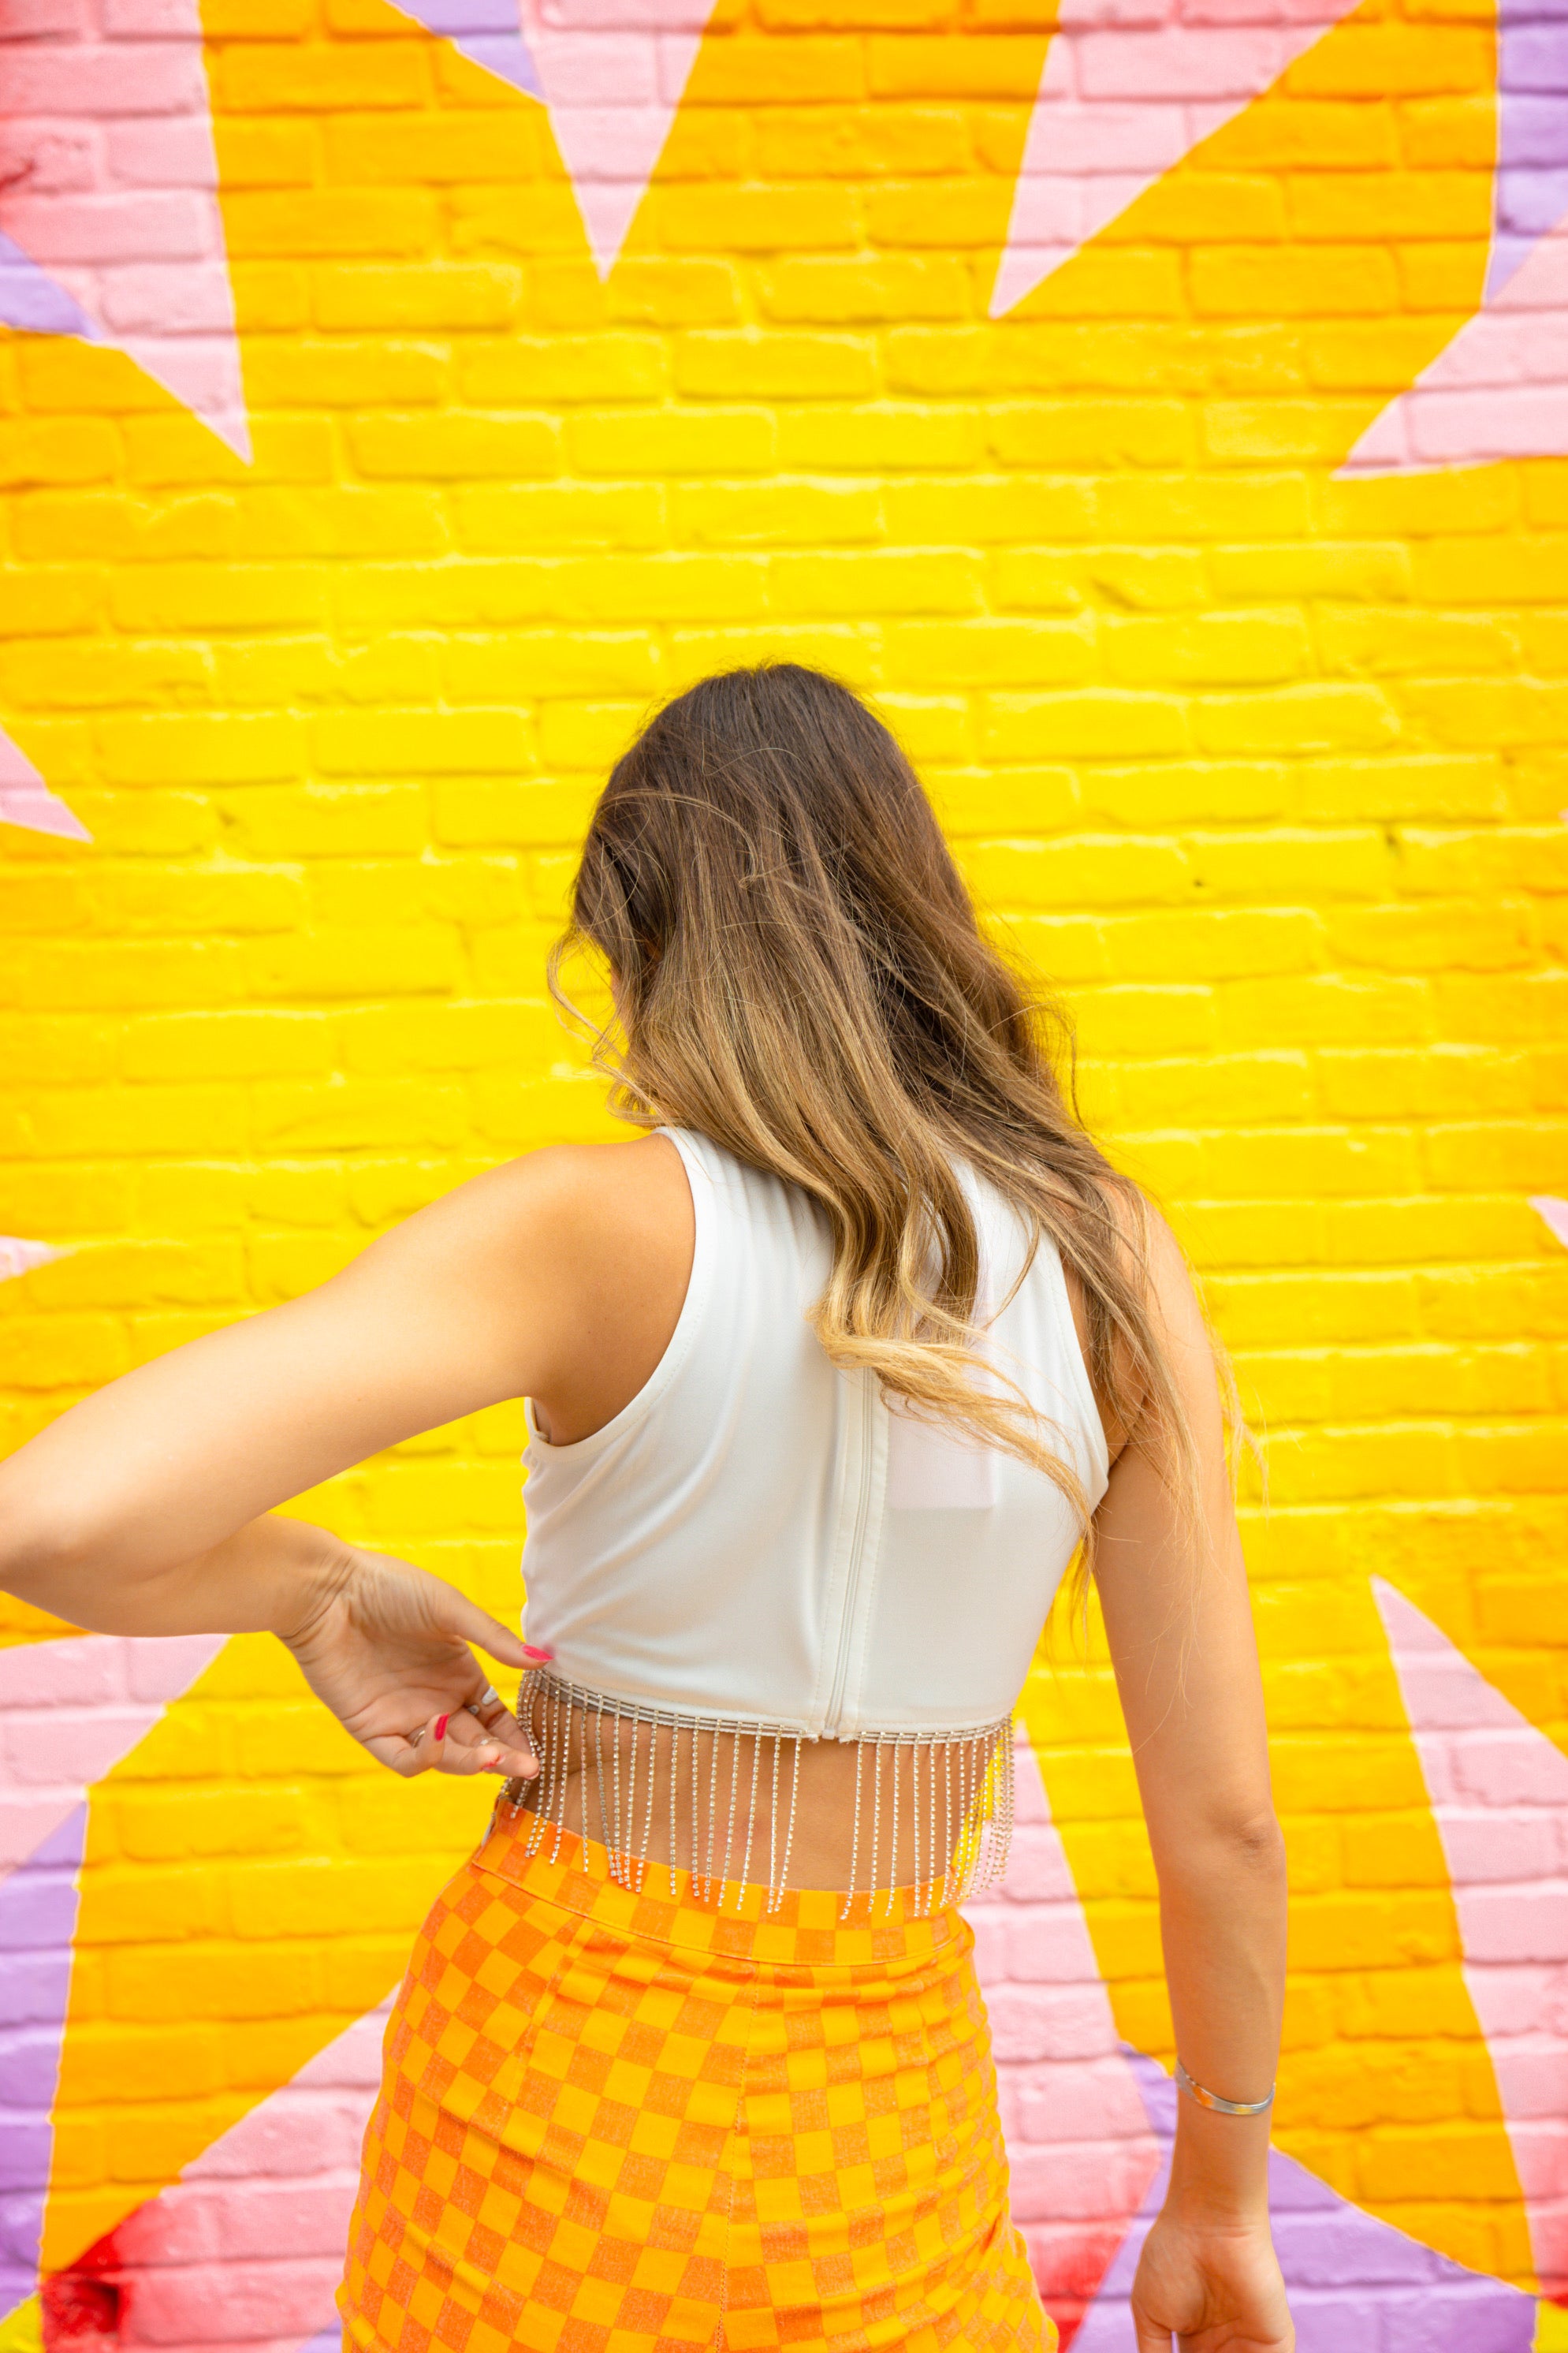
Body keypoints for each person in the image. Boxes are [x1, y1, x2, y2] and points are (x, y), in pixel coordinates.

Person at [0, 664, 1291, 2353]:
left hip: (546, 2115)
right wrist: (1219, 2197)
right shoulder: (1112, 1265)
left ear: (637, 947)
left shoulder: (582, 1231)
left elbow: (52, 1516)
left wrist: (312, 1586)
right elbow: (1223, 1826)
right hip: (880, 2148)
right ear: (917, 912)